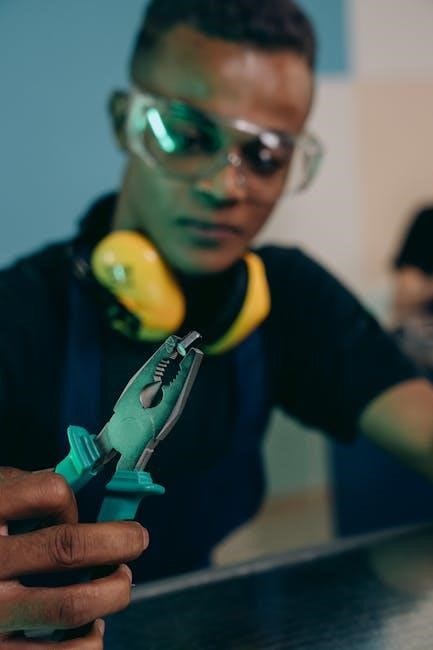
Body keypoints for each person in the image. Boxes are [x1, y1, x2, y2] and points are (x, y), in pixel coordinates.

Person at [3, 0, 433, 639]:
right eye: (186, 135)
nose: (227, 186)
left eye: (266, 154)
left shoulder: (290, 296)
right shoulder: (16, 313)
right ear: (125, 122)